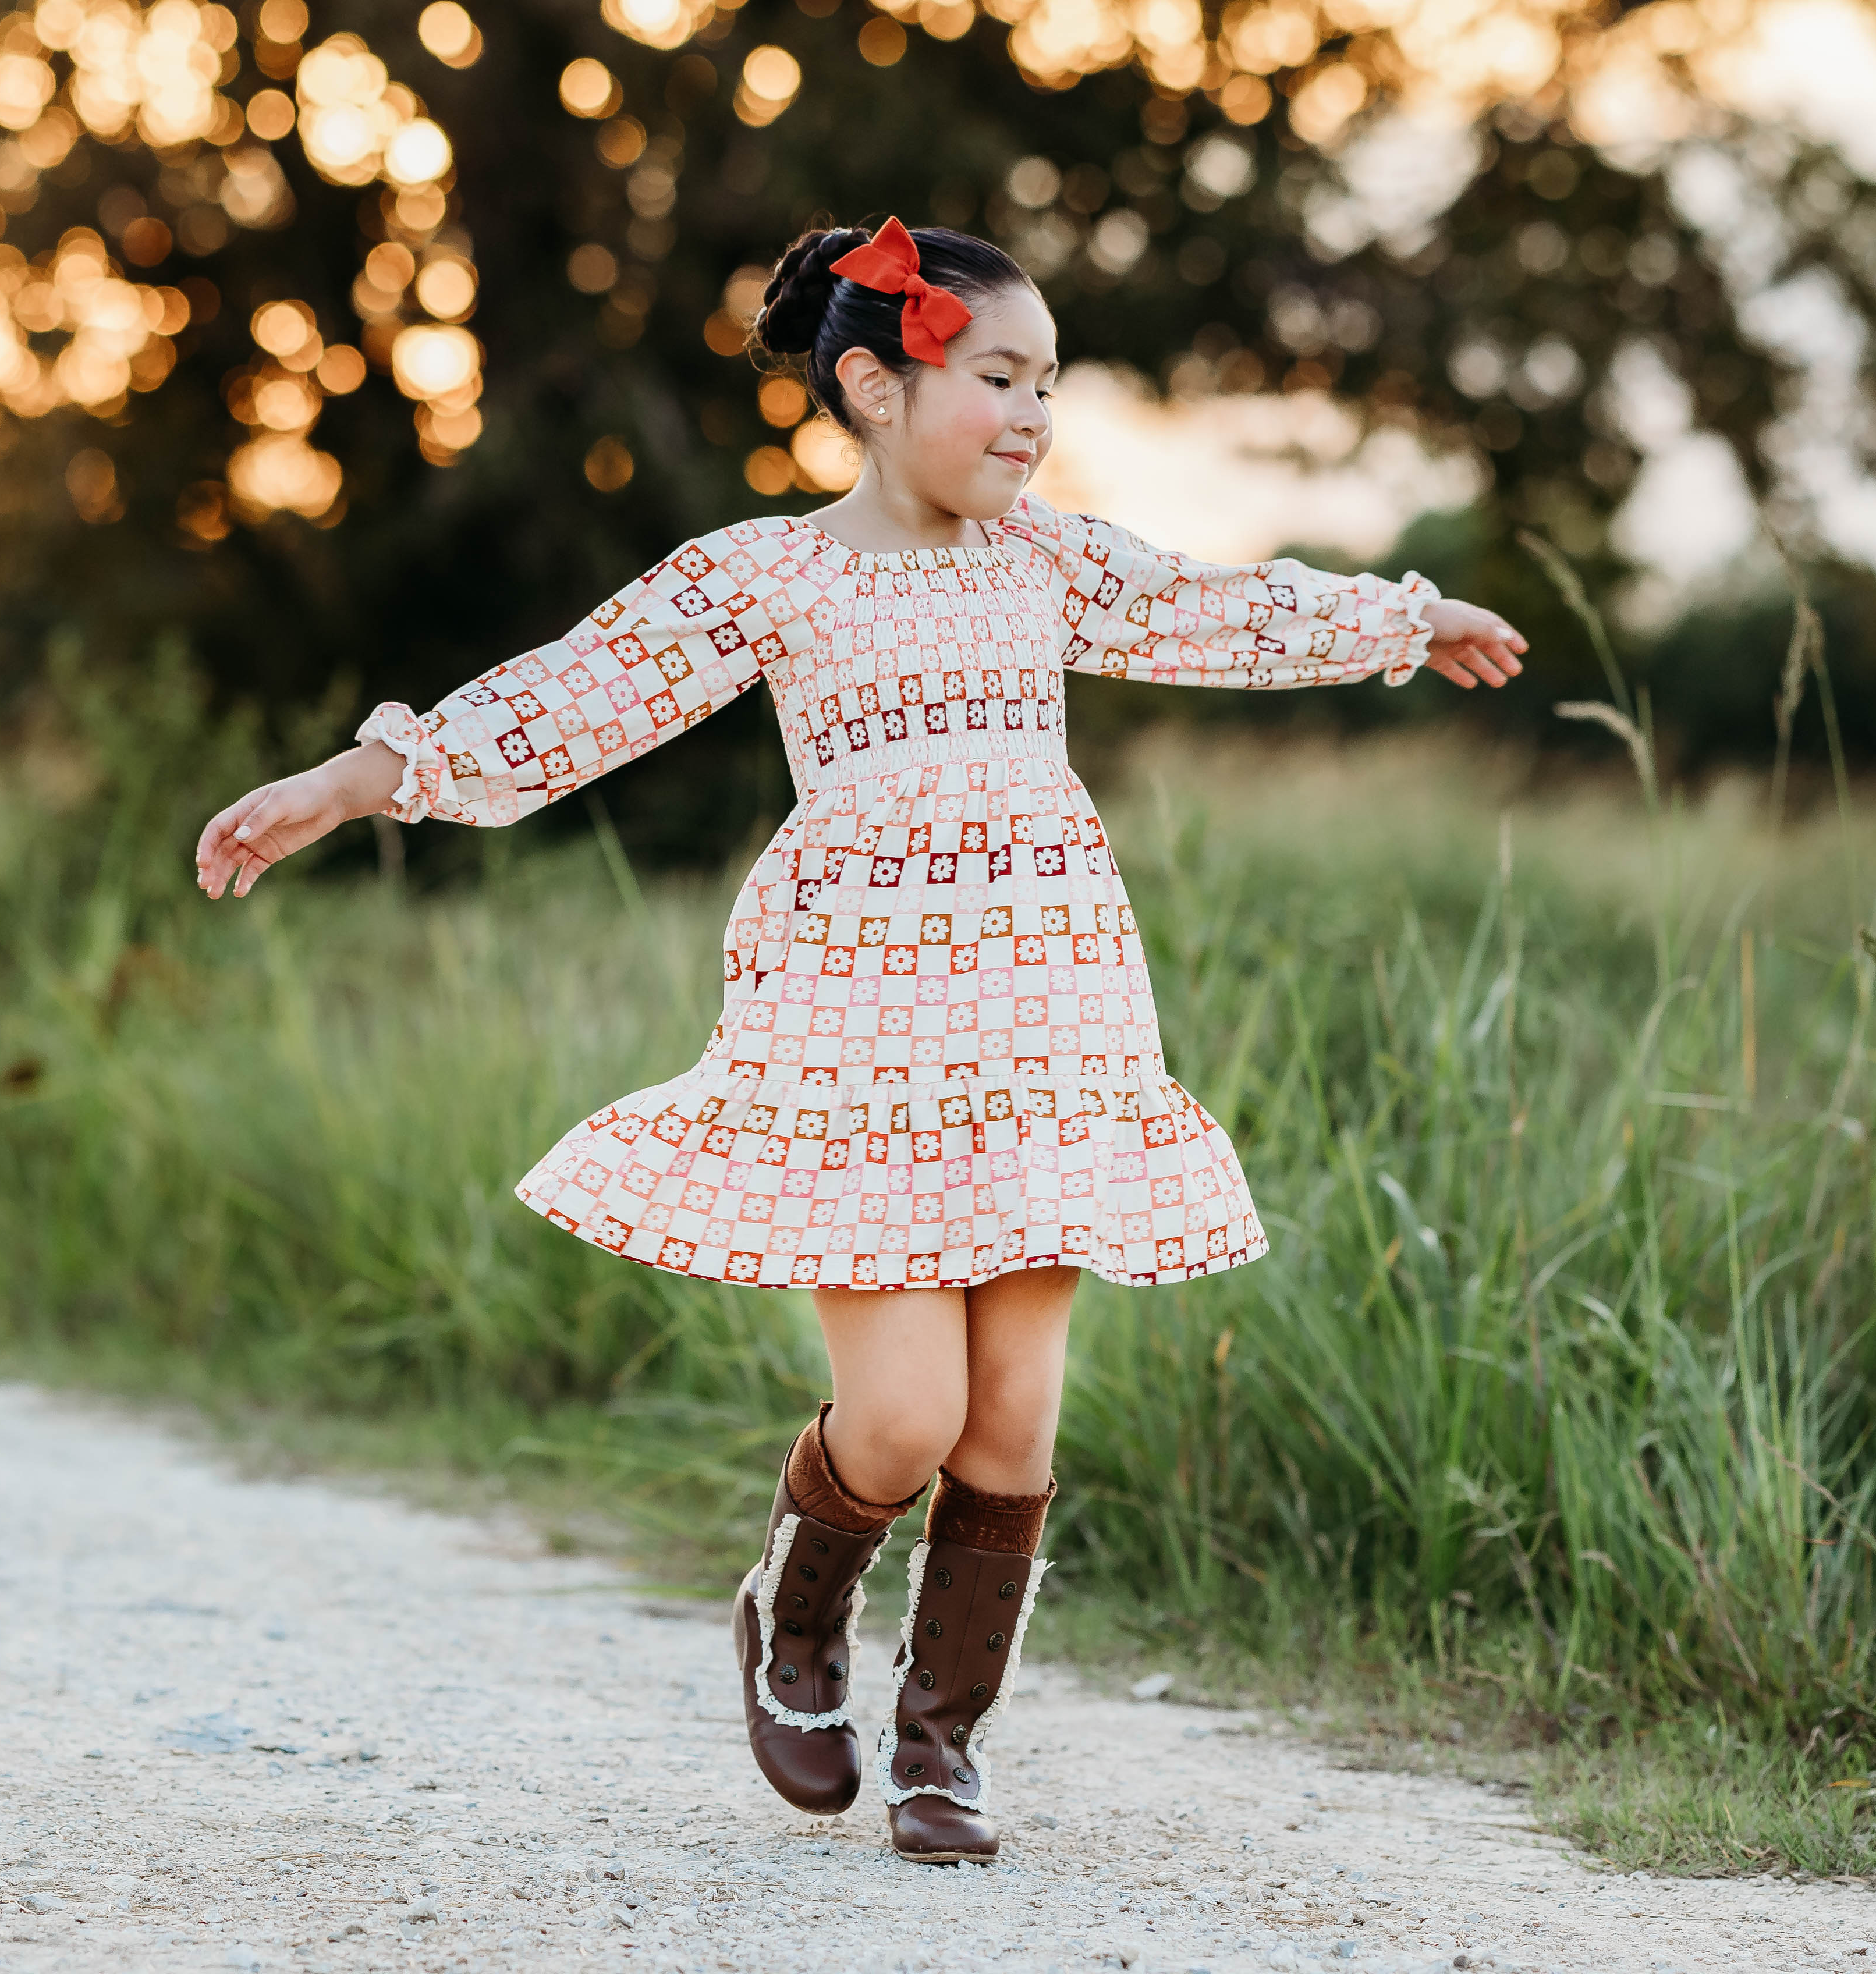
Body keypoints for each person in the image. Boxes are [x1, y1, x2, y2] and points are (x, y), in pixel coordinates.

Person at [194, 216, 1527, 1864]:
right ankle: (797, 1607)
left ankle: (941, 1743)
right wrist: (351, 779)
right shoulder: (763, 578)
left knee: (1014, 1418)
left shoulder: (1052, 562)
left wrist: (1409, 618)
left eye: (1051, 383)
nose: (1034, 417)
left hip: (1049, 1031)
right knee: (900, 1419)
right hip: (857, 1050)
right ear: (876, 385)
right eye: (999, 378)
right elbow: (565, 699)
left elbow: (1226, 612)